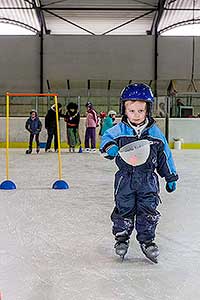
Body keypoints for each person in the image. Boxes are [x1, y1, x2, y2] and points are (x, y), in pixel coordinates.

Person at [100, 83, 178, 263]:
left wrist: (170, 176)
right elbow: (106, 139)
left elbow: (165, 155)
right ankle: (121, 237)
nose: (136, 115)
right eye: (132, 110)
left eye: (141, 111)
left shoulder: (155, 133)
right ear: (124, 110)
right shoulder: (118, 130)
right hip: (125, 179)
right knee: (124, 208)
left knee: (148, 209)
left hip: (148, 179)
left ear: (147, 110)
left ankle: (147, 241)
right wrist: (110, 148)